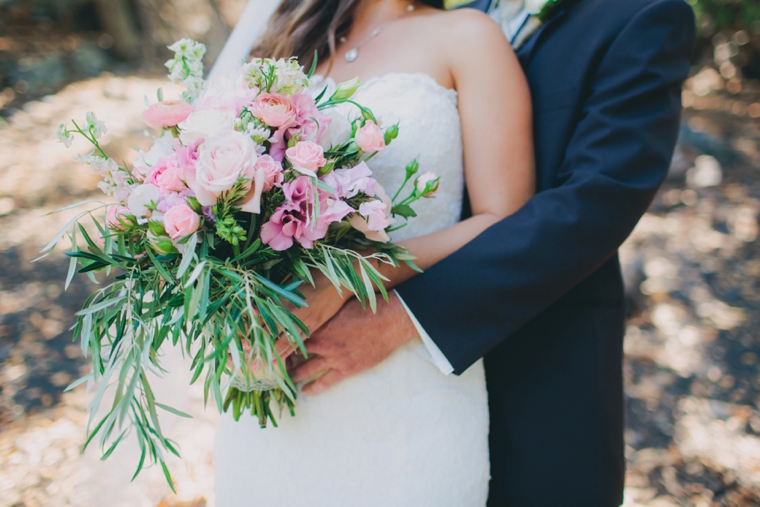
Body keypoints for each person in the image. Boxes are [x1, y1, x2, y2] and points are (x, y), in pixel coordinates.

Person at [273, 0, 696, 505]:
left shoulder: (640, 16)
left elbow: (592, 207)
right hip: (340, 378)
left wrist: (392, 311)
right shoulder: (446, 18)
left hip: (541, 363)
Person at [212, 1, 534, 505]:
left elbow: (507, 223)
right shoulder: (289, 40)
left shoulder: (468, 36)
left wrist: (350, 277)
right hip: (276, 397)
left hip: (403, 391)